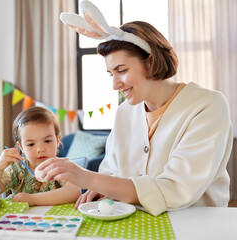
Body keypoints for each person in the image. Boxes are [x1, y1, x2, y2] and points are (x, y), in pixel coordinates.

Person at [36, 0, 233, 216]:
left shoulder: (207, 106)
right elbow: (111, 171)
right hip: (134, 222)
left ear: (150, 61)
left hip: (197, 226)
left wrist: (87, 177)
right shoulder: (124, 113)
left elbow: (177, 189)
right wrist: (103, 190)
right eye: (111, 74)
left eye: (121, 70)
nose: (115, 84)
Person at [0, 106, 81, 206]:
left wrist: (33, 199)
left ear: (58, 140)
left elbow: (74, 191)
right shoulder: (17, 168)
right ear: (21, 148)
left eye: (47, 141)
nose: (40, 149)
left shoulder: (60, 167)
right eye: (31, 144)